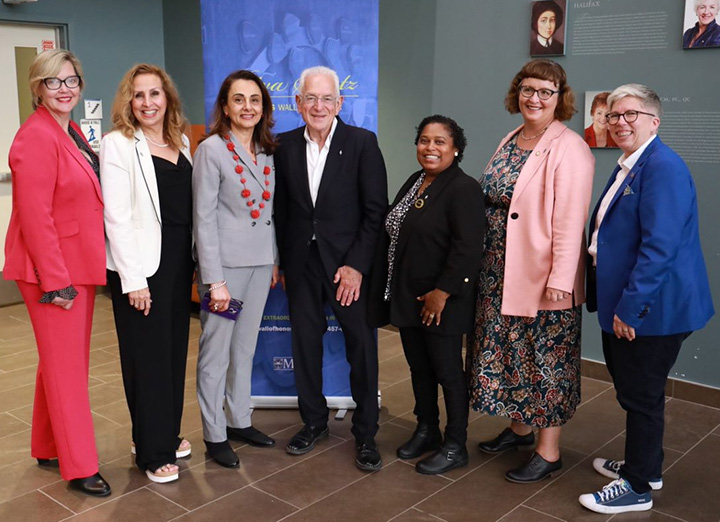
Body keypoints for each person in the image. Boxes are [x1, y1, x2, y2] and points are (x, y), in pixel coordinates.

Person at [578, 84, 714, 515]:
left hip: (651, 309)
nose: (620, 122)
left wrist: (630, 309)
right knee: (641, 394)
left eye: (630, 114)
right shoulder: (633, 164)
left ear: (655, 120)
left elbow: (660, 248)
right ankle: (645, 467)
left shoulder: (662, 167)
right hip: (636, 302)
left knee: (640, 395)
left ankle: (637, 487)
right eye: (614, 115)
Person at [467, 59, 595, 483]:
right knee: (510, 355)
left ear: (561, 99)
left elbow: (569, 220)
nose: (534, 98)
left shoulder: (569, 146)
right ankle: (520, 428)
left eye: (545, 91)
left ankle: (549, 450)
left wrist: (561, 279)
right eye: (527, 89)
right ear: (516, 93)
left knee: (545, 361)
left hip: (542, 278)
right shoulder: (512, 138)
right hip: (499, 272)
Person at [3, 49, 110, 497]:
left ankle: (47, 443)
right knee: (68, 371)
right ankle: (80, 466)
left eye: (71, 80)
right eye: (53, 82)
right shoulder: (35, 137)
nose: (64, 89)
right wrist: (56, 283)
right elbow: (35, 216)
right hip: (53, 271)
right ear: (37, 89)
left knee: (59, 363)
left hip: (75, 262)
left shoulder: (67, 132)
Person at [274, 65, 388, 471]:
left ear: (339, 103)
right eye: (310, 98)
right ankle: (313, 422)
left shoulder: (361, 143)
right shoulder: (283, 146)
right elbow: (281, 210)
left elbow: (376, 212)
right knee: (304, 347)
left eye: (327, 99)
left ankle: (366, 435)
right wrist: (280, 260)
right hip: (301, 267)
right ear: (298, 103)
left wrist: (356, 265)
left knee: (361, 348)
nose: (318, 106)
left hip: (347, 269)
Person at [368, 115, 484, 474]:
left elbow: (468, 248)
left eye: (439, 142)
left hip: (441, 302)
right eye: (424, 140)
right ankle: (427, 428)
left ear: (456, 149)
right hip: (408, 297)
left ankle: (455, 444)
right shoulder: (415, 181)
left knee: (448, 372)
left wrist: (442, 292)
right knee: (419, 367)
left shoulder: (463, 188)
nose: (430, 148)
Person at [100, 64, 193, 484]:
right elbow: (116, 217)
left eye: (155, 93)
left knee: (172, 355)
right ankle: (152, 454)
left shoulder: (183, 141)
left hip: (178, 265)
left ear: (167, 98)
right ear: (129, 102)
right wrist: (132, 279)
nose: (148, 102)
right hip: (142, 270)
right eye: (139, 95)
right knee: (147, 360)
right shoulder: (117, 144)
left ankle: (162, 434)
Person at [193, 70, 279, 468]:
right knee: (216, 352)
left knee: (245, 348)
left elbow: (270, 214)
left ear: (264, 107)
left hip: (260, 263)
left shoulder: (266, 150)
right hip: (226, 268)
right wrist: (214, 281)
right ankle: (214, 433)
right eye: (239, 100)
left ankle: (239, 419)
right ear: (225, 107)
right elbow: (203, 219)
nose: (248, 107)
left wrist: (274, 258)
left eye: (255, 100)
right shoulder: (211, 150)